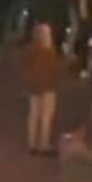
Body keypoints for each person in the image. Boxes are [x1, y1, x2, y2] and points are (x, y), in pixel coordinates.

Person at [23, 24, 61, 154]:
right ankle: (43, 143)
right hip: (48, 86)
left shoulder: (30, 49)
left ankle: (32, 143)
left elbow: (25, 68)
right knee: (46, 116)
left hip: (34, 87)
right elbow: (54, 70)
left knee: (33, 115)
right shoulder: (49, 51)